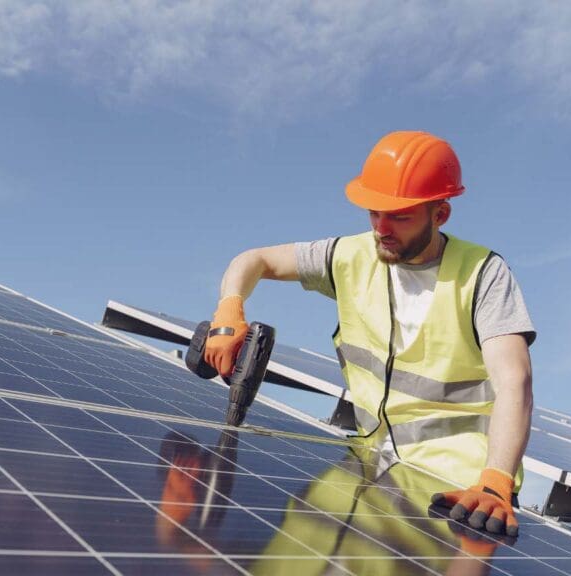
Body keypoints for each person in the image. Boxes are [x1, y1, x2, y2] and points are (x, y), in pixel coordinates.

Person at [202, 131, 535, 536]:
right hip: (374, 469)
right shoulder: (349, 256)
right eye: (375, 213)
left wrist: (496, 480)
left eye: (400, 216)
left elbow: (514, 381)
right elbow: (254, 259)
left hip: (460, 493)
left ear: (440, 214)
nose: (382, 228)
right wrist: (229, 309)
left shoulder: (483, 274)